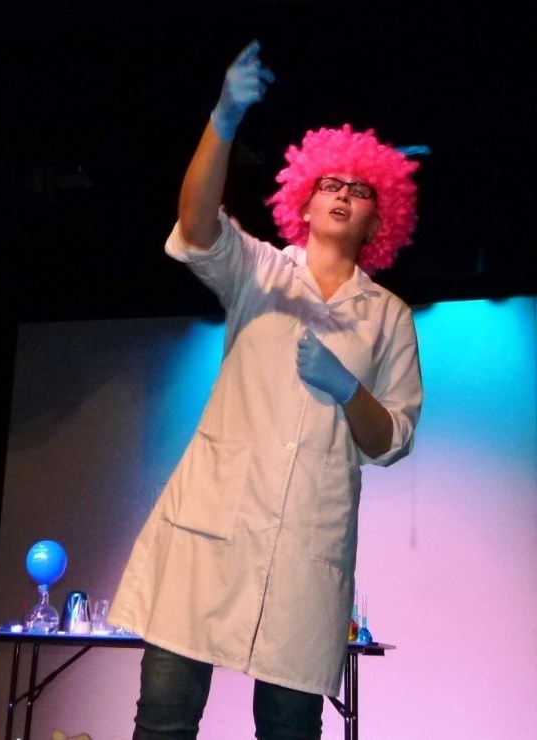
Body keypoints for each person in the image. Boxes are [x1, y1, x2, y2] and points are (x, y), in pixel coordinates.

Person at [109, 40, 423, 739]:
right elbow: (197, 228)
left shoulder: (390, 317)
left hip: (306, 549)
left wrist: (348, 390)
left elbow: (392, 440)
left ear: (380, 221)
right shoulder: (260, 272)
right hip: (209, 531)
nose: (343, 194)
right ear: (303, 204)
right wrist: (222, 120)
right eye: (331, 184)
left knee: (288, 728)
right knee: (164, 718)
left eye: (361, 191)